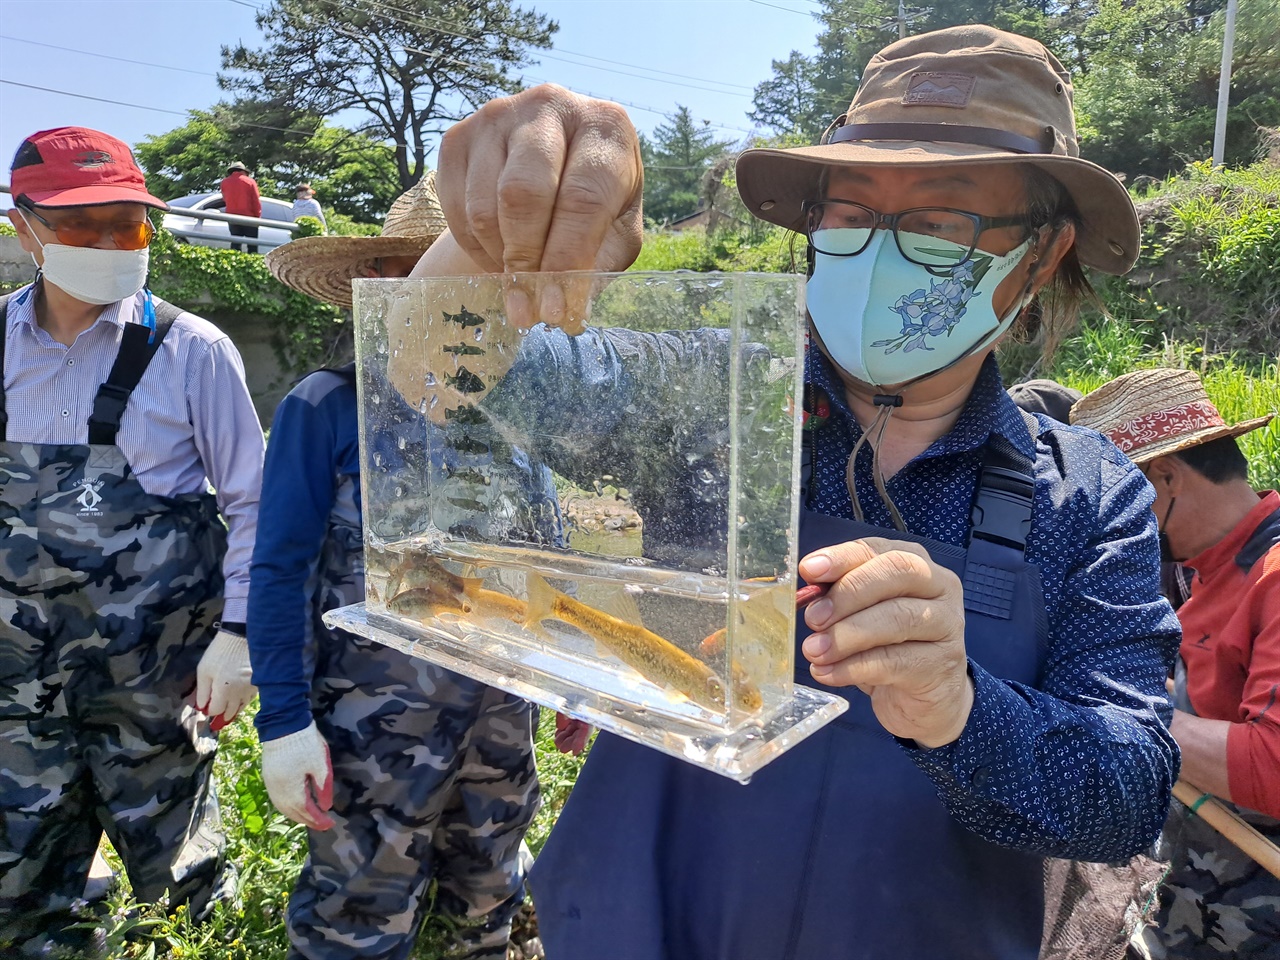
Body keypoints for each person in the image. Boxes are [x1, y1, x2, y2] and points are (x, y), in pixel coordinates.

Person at [398, 24, 1183, 959]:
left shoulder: (1092, 498)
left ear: (1042, 255)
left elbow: (1128, 795)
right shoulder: (715, 401)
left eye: (939, 222)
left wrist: (959, 709)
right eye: (850, 211)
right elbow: (439, 373)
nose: (879, 250)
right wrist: (487, 234)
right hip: (649, 928)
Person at [251, 172, 541, 960]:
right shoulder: (325, 406)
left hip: (501, 719)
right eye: (433, 280)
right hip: (371, 732)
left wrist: (571, 676)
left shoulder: (513, 408)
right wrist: (282, 720)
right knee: (361, 916)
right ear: (380, 289)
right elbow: (278, 568)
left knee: (488, 902)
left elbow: (544, 553)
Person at [0, 127, 262, 954]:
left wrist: (238, 635)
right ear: (24, 227)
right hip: (16, 692)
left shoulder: (193, 352)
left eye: (131, 224)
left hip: (158, 684)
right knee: (17, 888)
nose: (114, 244)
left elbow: (256, 504)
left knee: (188, 894)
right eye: (86, 225)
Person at [1072, 369, 1280, 959]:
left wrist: (1117, 707)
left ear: (1165, 478)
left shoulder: (1273, 576)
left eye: (1118, 504)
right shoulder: (1201, 570)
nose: (1110, 529)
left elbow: (1273, 764)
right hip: (1196, 894)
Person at [221, 160, 262, 253]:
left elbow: (225, 199)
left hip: (232, 217)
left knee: (235, 244)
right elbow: (255, 201)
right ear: (243, 171)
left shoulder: (224, 182)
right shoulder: (250, 181)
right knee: (252, 246)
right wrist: (257, 216)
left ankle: (234, 264)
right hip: (249, 217)